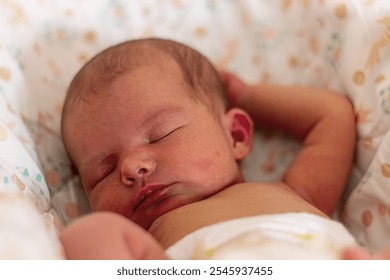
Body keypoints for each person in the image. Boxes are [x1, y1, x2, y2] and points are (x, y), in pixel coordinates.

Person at [60, 37, 357, 259]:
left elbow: (333, 115)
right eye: (104, 171)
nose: (131, 167)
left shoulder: (296, 194)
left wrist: (246, 96)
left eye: (162, 134)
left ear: (237, 136)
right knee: (86, 235)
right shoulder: (149, 249)